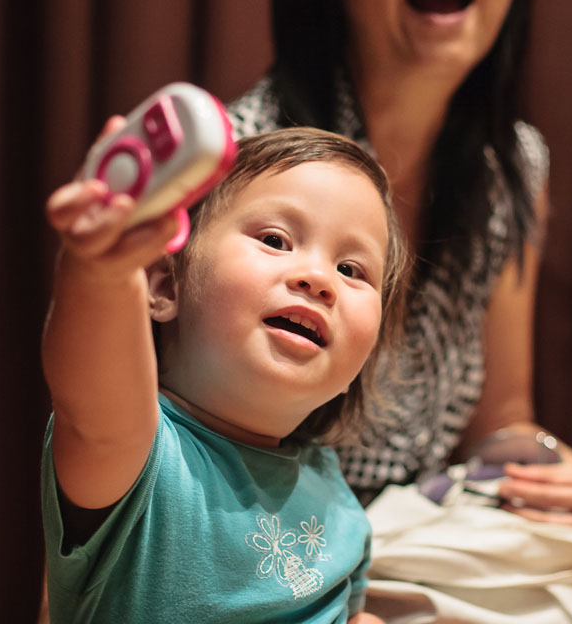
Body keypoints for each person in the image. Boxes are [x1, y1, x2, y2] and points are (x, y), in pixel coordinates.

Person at [229, 0, 572, 537]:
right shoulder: (239, 158)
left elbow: (498, 423)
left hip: (414, 531)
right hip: (263, 536)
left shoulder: (510, 167)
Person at [40, 127, 408, 623]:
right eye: (275, 240)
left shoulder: (335, 494)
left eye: (351, 269)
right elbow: (91, 404)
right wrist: (101, 270)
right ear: (164, 284)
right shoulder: (137, 453)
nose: (320, 279)